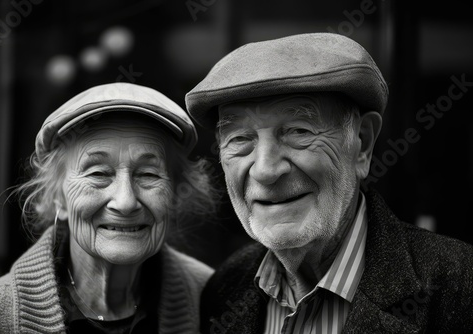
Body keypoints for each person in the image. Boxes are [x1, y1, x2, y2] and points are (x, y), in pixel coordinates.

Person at [185, 32, 473, 333]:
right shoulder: (224, 289)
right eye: (240, 139)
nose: (266, 171)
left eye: (298, 131)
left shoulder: (459, 288)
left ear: (361, 144)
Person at [0, 82, 219, 333]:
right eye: (99, 173)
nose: (125, 202)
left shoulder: (212, 298)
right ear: (58, 197)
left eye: (148, 174)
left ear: (175, 194)